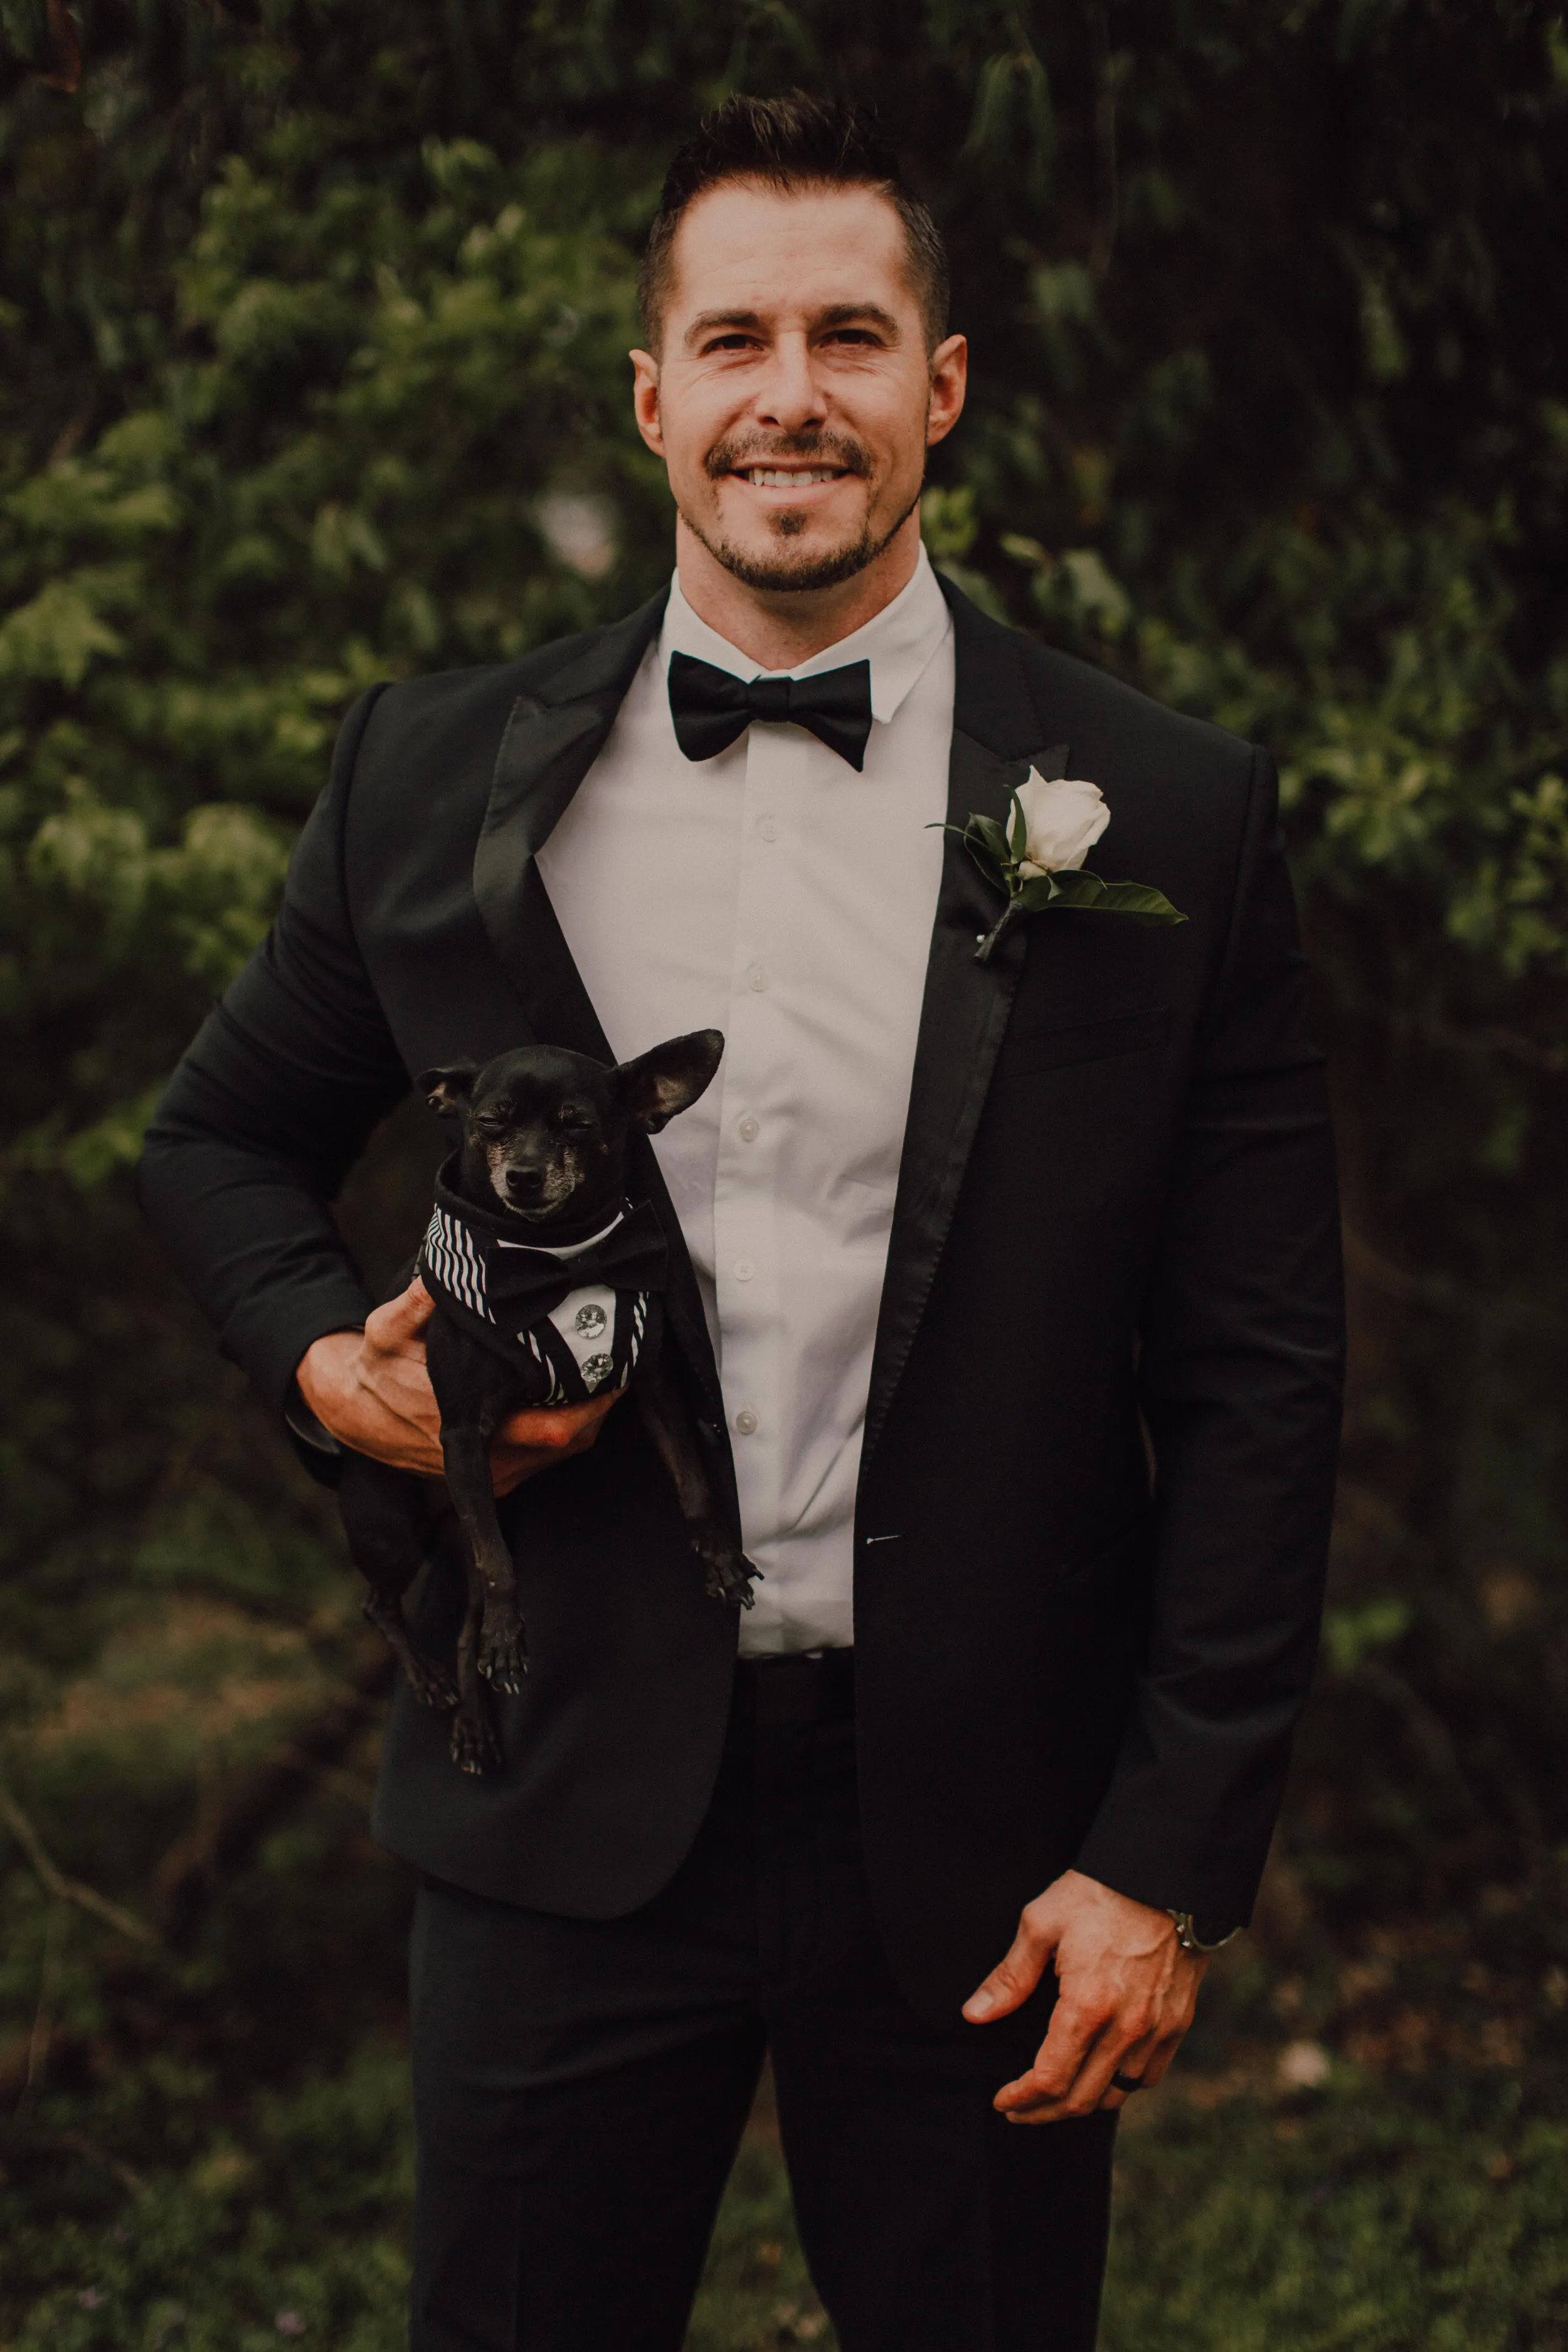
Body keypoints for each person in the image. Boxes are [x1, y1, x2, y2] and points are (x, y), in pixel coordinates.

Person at [139, 90, 1344, 2352]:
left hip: (995, 1831)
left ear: (941, 388)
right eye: (736, 338)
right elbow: (211, 1144)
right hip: (557, 1796)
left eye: (852, 337)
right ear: (654, 391)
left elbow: (1260, 1373)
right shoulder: (429, 776)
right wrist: (328, 1364)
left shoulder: (1161, 806)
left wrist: (1167, 1849)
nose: (792, 393)